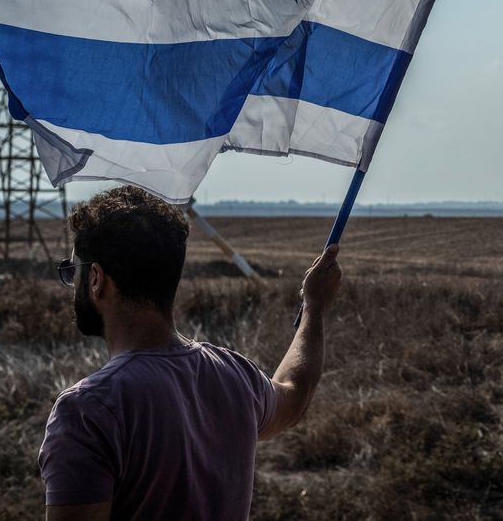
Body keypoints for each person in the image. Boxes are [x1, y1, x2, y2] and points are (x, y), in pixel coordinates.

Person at [39, 186, 342, 520]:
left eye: (72, 271)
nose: (72, 283)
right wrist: (314, 307)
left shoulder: (88, 410)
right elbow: (294, 394)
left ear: (96, 279)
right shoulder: (234, 374)